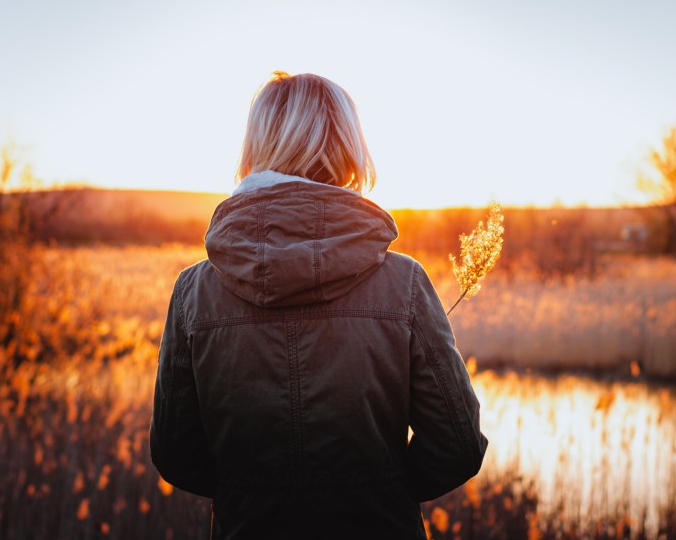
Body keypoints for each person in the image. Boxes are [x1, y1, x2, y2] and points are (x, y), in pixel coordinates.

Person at [150, 71, 487, 539]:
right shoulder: (403, 282)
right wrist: (378, 491)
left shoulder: (194, 292)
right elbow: (457, 446)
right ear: (349, 144)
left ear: (256, 147)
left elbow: (175, 455)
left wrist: (252, 491)